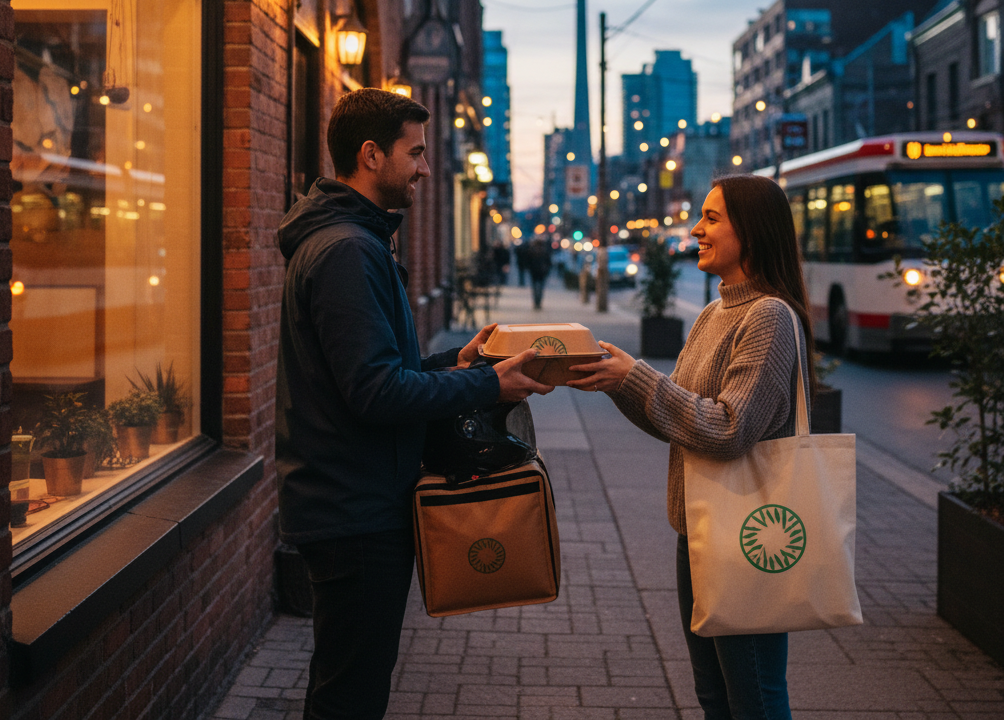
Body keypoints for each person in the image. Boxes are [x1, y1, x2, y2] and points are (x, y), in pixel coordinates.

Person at [275, 88, 552, 720]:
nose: (426, 168)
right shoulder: (348, 250)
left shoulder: (355, 242)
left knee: (350, 683)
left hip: (353, 501)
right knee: (350, 696)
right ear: (371, 155)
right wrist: (490, 385)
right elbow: (375, 393)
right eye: (416, 153)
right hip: (356, 512)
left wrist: (454, 365)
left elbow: (377, 373)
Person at [568, 175, 816, 720]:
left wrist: (637, 376)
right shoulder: (713, 314)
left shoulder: (769, 317)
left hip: (751, 535)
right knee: (714, 696)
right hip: (700, 530)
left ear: (751, 230)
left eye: (711, 218)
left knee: (752, 696)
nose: (696, 229)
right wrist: (614, 379)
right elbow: (678, 419)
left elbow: (727, 430)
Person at [526, 236, 552, 309]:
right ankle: (539, 302)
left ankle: (536, 302)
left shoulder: (531, 251)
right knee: (540, 288)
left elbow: (528, 261)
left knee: (534, 288)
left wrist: (529, 268)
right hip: (542, 272)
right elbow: (549, 262)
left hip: (534, 272)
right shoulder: (545, 251)